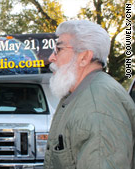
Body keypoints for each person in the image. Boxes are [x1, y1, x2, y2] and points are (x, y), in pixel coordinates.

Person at [44, 20, 135, 169]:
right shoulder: (82, 93)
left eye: (58, 49)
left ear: (84, 57)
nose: (51, 58)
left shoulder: (97, 105)